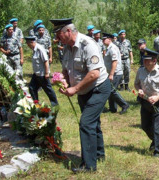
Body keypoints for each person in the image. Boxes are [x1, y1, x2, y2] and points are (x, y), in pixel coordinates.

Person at [50, 18, 111, 173]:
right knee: (93, 123)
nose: (57, 39)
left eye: (59, 35)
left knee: (86, 123)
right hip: (84, 91)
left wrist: (74, 89)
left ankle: (89, 166)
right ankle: (99, 155)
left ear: (68, 31)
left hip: (98, 88)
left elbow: (95, 73)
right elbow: (66, 69)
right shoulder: (67, 47)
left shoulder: (88, 44)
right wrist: (63, 81)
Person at [134, 49, 159, 157]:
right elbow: (136, 84)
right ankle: (156, 141)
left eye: (148, 60)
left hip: (158, 103)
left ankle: (158, 152)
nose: (145, 62)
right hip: (145, 102)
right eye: (144, 60)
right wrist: (139, 90)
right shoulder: (141, 70)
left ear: (154, 61)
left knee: (157, 128)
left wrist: (158, 97)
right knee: (145, 126)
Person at [25, 36, 58, 106]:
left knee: (48, 90)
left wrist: (46, 73)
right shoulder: (34, 49)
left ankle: (55, 104)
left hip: (42, 74)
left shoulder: (40, 49)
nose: (28, 46)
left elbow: (46, 61)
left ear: (31, 42)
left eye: (28, 44)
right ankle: (36, 104)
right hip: (36, 74)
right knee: (31, 88)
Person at [102, 33, 130, 114]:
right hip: (111, 73)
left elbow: (115, 62)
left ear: (109, 39)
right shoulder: (109, 48)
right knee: (110, 90)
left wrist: (111, 74)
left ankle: (124, 105)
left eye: (104, 39)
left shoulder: (112, 48)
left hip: (115, 73)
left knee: (111, 90)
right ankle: (113, 108)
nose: (103, 40)